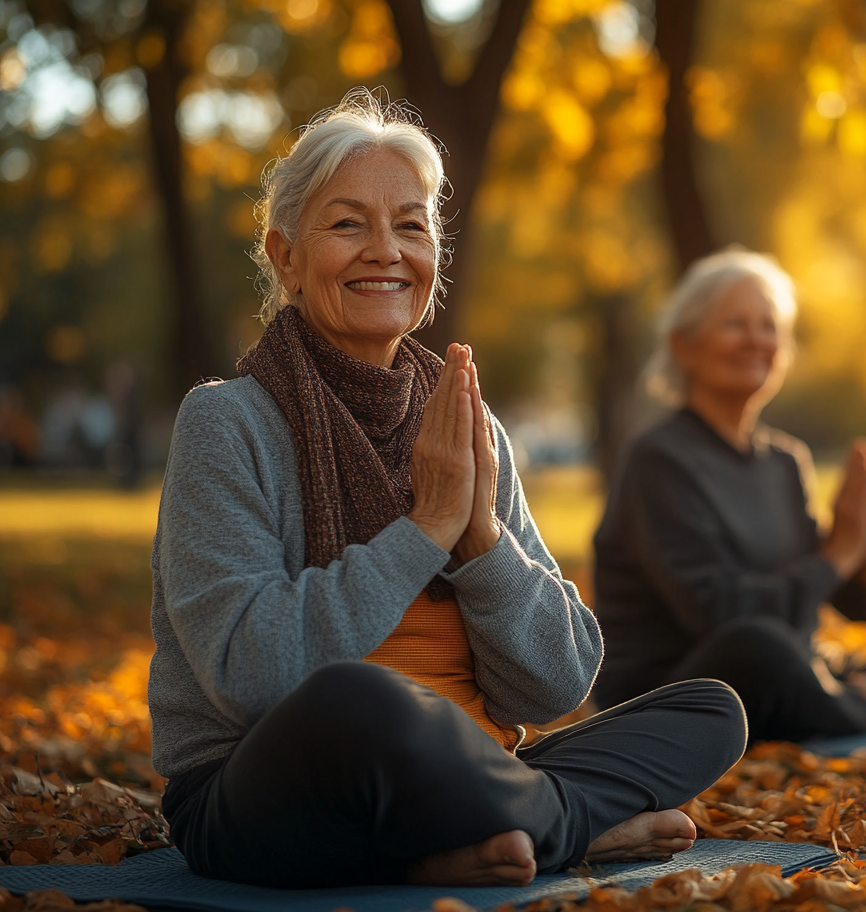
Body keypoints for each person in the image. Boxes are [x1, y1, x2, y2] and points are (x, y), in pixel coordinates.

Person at [147, 90, 746, 891]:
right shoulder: (226, 423)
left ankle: (468, 833)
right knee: (360, 702)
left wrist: (481, 544)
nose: (384, 249)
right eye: (348, 223)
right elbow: (254, 676)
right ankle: (571, 823)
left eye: (411, 225)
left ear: (435, 254)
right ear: (285, 256)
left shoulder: (469, 427)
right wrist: (425, 530)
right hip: (275, 782)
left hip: (482, 761)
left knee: (712, 711)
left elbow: (561, 682)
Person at [592, 250, 866, 745]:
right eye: (734, 325)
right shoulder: (659, 459)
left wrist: (859, 550)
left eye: (768, 327)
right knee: (758, 642)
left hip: (793, 668)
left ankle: (839, 695)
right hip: (677, 690)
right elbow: (721, 615)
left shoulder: (784, 462)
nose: (756, 340)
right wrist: (836, 556)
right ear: (684, 346)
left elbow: (860, 605)